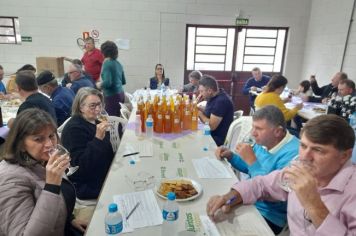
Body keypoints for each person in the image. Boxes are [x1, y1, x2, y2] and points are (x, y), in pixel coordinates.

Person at [207, 114, 356, 235]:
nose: (305, 156)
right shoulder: (300, 167)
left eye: (318, 150)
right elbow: (261, 184)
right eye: (303, 146)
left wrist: (314, 205)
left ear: (345, 156)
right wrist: (230, 197)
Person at [0, 108, 87, 235]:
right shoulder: (9, 180)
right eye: (38, 139)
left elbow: (58, 200)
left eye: (51, 136)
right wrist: (51, 186)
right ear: (21, 144)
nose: (49, 144)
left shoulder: (41, 160)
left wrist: (69, 220)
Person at [215, 105, 299, 234]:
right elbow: (248, 168)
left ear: (277, 131)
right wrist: (232, 156)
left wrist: (252, 161)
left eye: (259, 128)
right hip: (248, 198)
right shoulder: (265, 141)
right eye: (253, 127)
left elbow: (273, 192)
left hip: (269, 214)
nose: (253, 133)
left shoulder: (295, 154)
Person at [61, 87, 114, 200]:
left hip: (106, 172)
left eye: (100, 104)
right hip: (88, 184)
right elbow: (80, 168)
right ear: (81, 107)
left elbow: (106, 151)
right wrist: (98, 139)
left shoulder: (96, 121)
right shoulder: (74, 129)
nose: (98, 109)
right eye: (92, 106)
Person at [198, 75, 234, 146]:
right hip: (211, 134)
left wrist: (199, 113)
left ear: (210, 91)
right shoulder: (215, 95)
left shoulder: (221, 101)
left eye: (202, 91)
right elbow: (212, 110)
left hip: (216, 138)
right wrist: (200, 109)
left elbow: (211, 126)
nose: (200, 94)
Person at [96, 40, 126, 116]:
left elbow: (107, 83)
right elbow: (123, 81)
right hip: (121, 94)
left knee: (110, 120)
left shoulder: (106, 63)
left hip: (112, 96)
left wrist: (99, 85)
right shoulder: (118, 63)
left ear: (103, 52)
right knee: (118, 119)